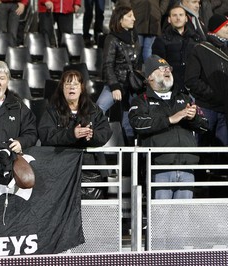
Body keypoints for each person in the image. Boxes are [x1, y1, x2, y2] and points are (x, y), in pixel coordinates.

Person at [129, 55, 208, 199]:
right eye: (161, 68)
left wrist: (193, 118)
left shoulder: (184, 98)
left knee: (182, 216)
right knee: (161, 216)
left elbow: (204, 126)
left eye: (168, 68)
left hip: (187, 166)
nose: (167, 70)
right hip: (159, 167)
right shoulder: (141, 100)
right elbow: (137, 124)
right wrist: (170, 119)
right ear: (150, 77)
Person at [38, 70, 112, 199]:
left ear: (81, 88)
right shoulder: (52, 110)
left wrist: (92, 136)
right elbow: (46, 135)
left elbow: (105, 132)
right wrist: (71, 134)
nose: (72, 87)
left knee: (90, 216)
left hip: (89, 171)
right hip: (60, 170)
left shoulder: (93, 110)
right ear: (62, 88)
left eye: (76, 84)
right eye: (68, 84)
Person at [95, 5, 141, 145]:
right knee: (98, 109)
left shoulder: (134, 36)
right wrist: (114, 86)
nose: (133, 18)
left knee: (128, 120)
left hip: (132, 86)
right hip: (117, 83)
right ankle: (95, 137)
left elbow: (137, 62)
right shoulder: (112, 38)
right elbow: (108, 65)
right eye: (129, 16)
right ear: (120, 20)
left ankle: (130, 150)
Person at [185, 14, 228, 148]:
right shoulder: (200, 49)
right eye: (226, 26)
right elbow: (191, 80)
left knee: (223, 150)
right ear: (216, 28)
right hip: (206, 107)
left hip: (225, 109)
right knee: (202, 147)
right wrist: (212, 95)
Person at [152, 5, 201, 93]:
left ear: (186, 18)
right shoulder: (161, 40)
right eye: (174, 15)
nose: (178, 18)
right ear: (169, 19)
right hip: (171, 88)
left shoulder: (196, 39)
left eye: (181, 15)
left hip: (193, 87)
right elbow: (158, 66)